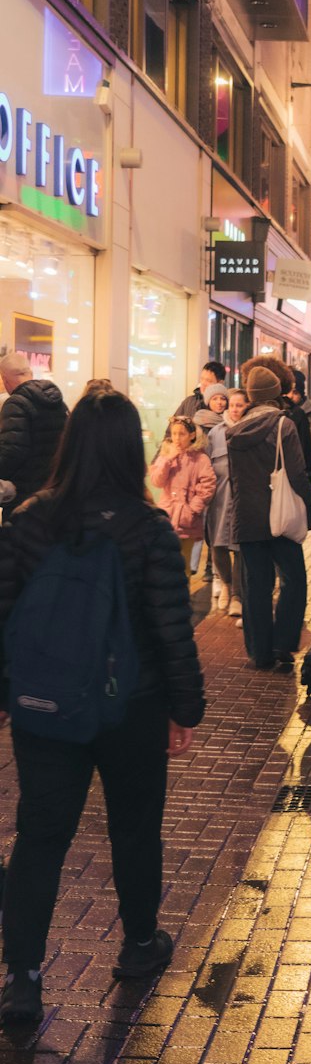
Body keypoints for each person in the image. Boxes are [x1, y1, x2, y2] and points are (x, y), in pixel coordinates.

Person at [0, 390, 204, 1025]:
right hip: (132, 706)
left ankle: (23, 979)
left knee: (39, 836)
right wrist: (184, 708)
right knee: (135, 828)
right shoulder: (148, 530)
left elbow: (4, 613)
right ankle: (140, 945)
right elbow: (171, 629)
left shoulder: (31, 520)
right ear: (129, 449)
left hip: (45, 707)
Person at [227, 364, 311, 673]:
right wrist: (308, 504)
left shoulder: (233, 431)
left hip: (247, 517)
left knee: (256, 586)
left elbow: (235, 480)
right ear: (275, 394)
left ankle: (259, 653)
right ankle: (283, 643)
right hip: (280, 518)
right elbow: (297, 473)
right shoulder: (283, 426)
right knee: (294, 580)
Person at [0, 352, 68, 510]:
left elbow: (12, 450)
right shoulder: (57, 401)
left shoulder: (16, 403)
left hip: (24, 493)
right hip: (53, 488)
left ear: (4, 378)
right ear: (29, 372)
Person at [149, 417, 217, 571]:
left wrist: (192, 509)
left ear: (192, 435)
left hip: (188, 519)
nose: (177, 438)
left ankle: (184, 594)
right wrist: (168, 460)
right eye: (174, 434)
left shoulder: (201, 459)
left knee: (183, 563)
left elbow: (208, 485)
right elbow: (157, 481)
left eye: (182, 434)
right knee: (164, 562)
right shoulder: (165, 455)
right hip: (166, 516)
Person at [205, 387, 248, 617]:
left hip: (243, 499)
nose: (234, 409)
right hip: (219, 499)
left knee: (240, 549)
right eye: (232, 405)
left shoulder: (251, 430)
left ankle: (237, 596)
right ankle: (227, 584)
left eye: (239, 405)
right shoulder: (215, 433)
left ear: (247, 407)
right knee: (218, 545)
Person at [240, 355, 311, 474]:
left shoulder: (245, 416)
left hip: (255, 485)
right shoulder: (293, 413)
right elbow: (305, 458)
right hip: (282, 483)